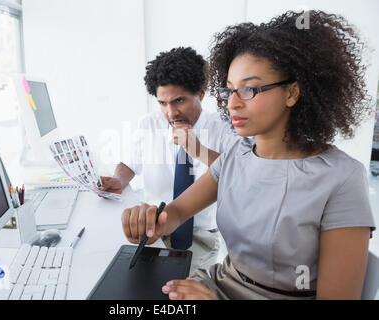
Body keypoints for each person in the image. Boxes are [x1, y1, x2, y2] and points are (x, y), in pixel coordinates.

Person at [121, 10, 376, 300]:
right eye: (229, 90)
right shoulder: (237, 154)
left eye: (249, 89)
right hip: (217, 284)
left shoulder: (341, 178)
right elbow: (177, 213)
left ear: (292, 92)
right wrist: (152, 222)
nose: (232, 103)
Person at [101, 47, 241, 273]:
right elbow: (128, 164)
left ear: (201, 94)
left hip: (201, 238)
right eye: (162, 103)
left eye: (179, 101)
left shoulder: (224, 128)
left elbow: (240, 177)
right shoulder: (150, 124)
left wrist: (198, 150)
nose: (170, 112)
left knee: (180, 290)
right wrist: (118, 180)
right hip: (152, 228)